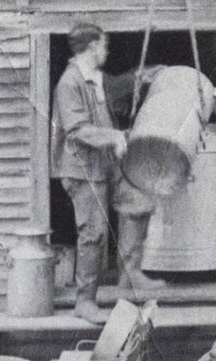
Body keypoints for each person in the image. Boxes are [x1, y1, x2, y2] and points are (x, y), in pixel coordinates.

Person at [50, 23, 150, 321]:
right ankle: (85, 301)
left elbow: (110, 105)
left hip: (106, 164)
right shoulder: (70, 83)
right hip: (83, 170)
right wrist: (113, 138)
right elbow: (77, 129)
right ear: (92, 46)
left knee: (138, 202)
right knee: (93, 234)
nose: (106, 51)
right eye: (104, 45)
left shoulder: (95, 79)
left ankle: (129, 276)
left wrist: (120, 137)